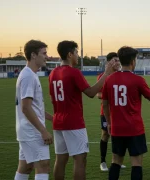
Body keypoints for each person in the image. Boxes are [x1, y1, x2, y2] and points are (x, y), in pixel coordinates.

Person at [49, 40, 115, 180]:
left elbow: (52, 98)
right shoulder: (73, 72)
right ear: (69, 54)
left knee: (60, 159)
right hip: (73, 122)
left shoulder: (53, 73)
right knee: (80, 159)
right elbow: (91, 93)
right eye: (76, 52)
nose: (78, 56)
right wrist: (106, 74)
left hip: (58, 122)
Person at [103, 46, 150, 180]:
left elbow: (105, 104)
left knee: (115, 162)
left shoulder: (109, 79)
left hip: (117, 128)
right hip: (134, 129)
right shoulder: (138, 80)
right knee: (136, 164)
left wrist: (108, 122)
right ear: (132, 61)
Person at [15, 40, 53, 180]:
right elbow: (26, 108)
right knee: (43, 165)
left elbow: (33, 107)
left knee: (26, 167)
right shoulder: (28, 76)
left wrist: (51, 118)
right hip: (32, 131)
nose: (46, 56)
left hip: (27, 130)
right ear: (33, 55)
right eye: (44, 53)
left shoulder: (30, 74)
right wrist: (43, 130)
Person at [96, 52, 126, 171]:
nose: (118, 62)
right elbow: (98, 94)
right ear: (109, 62)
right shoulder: (103, 77)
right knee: (105, 134)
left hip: (119, 112)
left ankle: (117, 161)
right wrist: (108, 96)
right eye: (115, 60)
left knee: (118, 136)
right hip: (106, 111)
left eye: (118, 60)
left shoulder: (122, 76)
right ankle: (103, 162)